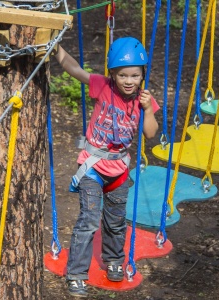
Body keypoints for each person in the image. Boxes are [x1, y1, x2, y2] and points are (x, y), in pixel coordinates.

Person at [55, 36, 160, 298]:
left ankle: (114, 260)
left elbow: (150, 134)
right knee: (88, 221)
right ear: (112, 74)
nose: (128, 80)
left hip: (119, 170)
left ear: (142, 75)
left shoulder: (144, 100)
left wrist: (147, 110)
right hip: (92, 167)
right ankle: (77, 273)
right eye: (122, 74)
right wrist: (55, 45)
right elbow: (74, 68)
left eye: (134, 75)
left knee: (115, 223)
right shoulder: (103, 87)